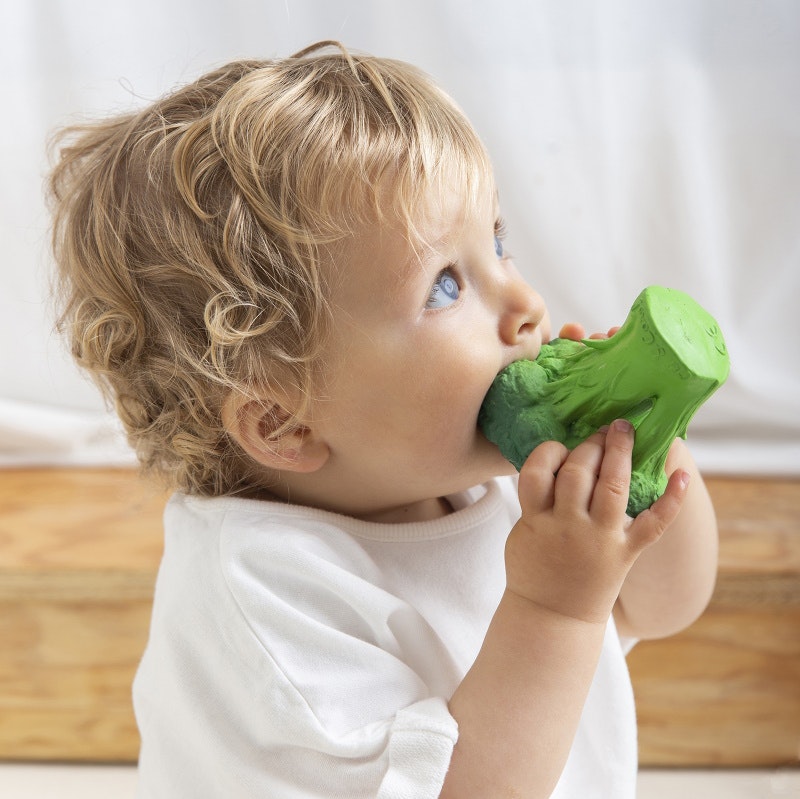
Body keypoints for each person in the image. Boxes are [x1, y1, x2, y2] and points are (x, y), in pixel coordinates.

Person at [48, 41, 718, 799]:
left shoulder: (476, 481)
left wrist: (649, 440)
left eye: (497, 242)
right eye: (444, 287)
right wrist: (554, 606)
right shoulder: (265, 589)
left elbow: (663, 604)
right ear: (284, 424)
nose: (526, 304)